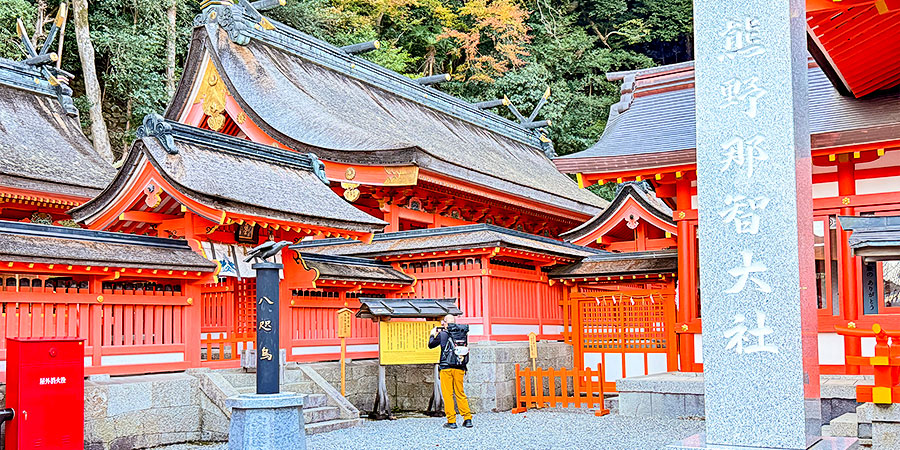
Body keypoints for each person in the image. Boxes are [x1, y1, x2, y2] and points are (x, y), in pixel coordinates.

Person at [428, 314, 473, 429]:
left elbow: (431, 344)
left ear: (445, 323)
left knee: (448, 394)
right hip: (460, 367)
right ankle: (467, 419)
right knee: (460, 393)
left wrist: (433, 333)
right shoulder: (462, 334)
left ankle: (451, 421)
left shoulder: (443, 334)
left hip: (446, 367)